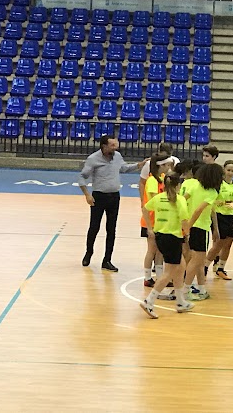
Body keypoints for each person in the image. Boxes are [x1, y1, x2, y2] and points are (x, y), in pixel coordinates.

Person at [78, 135, 147, 271]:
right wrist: (87, 194)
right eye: (113, 145)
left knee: (111, 229)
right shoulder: (93, 159)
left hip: (114, 197)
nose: (116, 147)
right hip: (99, 197)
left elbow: (123, 168)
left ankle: (107, 260)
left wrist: (139, 165)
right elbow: (82, 176)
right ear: (104, 146)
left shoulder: (117, 156)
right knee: (94, 227)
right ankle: (89, 252)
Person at [140, 172, 194, 318]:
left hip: (160, 237)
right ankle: (149, 301)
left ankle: (181, 301)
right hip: (173, 238)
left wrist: (150, 228)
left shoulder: (158, 198)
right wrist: (187, 235)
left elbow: (145, 208)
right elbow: (184, 220)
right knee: (169, 271)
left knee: (181, 266)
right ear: (178, 185)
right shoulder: (179, 200)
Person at [183, 163, 224, 301]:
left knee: (199, 261)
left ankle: (202, 290)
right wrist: (188, 226)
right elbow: (198, 210)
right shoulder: (212, 192)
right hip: (199, 228)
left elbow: (182, 200)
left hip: (192, 225)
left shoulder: (194, 185)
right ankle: (185, 290)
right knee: (195, 262)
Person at [140, 153, 174, 287]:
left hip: (160, 221)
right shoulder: (152, 181)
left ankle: (160, 277)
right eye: (167, 165)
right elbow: (156, 201)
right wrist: (149, 227)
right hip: (151, 221)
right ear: (161, 165)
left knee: (160, 250)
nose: (169, 167)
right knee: (152, 250)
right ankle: (147, 277)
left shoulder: (162, 178)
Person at [205, 160, 233, 280]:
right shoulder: (218, 184)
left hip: (231, 216)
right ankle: (205, 267)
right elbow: (212, 203)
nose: (230, 172)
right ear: (224, 170)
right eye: (228, 170)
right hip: (219, 216)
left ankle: (221, 268)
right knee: (218, 244)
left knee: (228, 244)